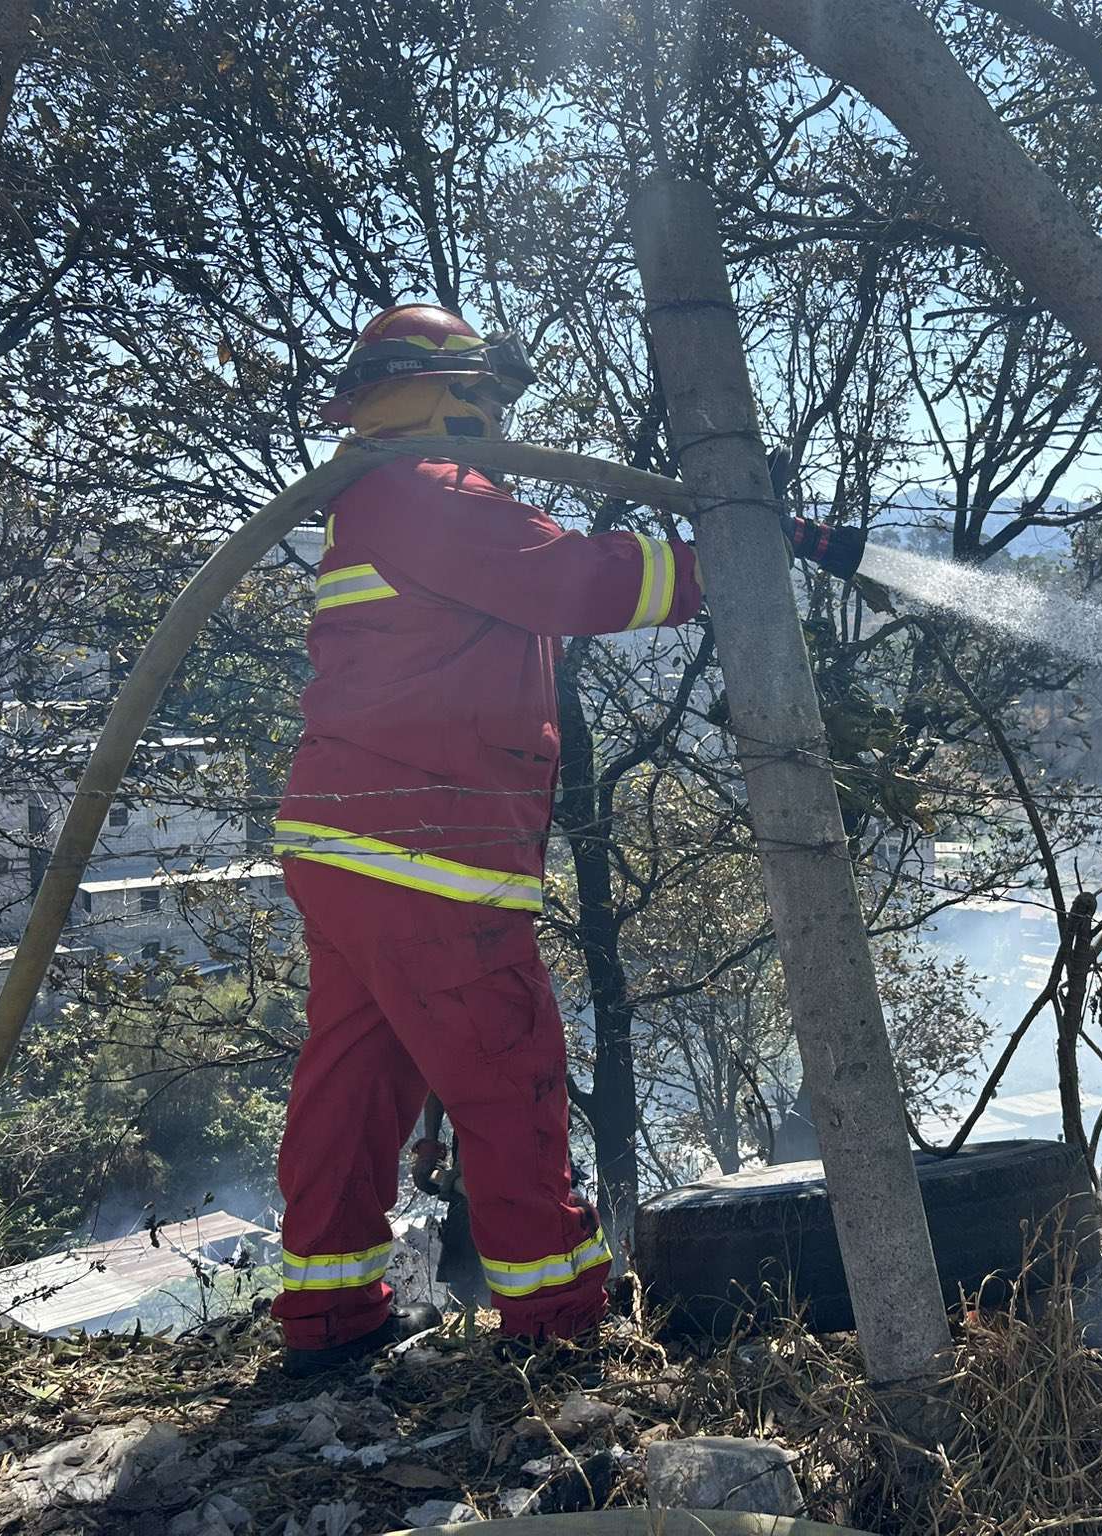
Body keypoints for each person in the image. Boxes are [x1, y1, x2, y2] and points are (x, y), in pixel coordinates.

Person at [267, 302, 706, 1374]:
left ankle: (328, 1317)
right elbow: (575, 577)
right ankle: (559, 1333)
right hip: (427, 849)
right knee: (509, 1075)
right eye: (487, 396)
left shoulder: (369, 495)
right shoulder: (428, 493)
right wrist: (722, 561)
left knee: (356, 1084)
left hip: (347, 843)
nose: (498, 420)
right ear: (447, 389)